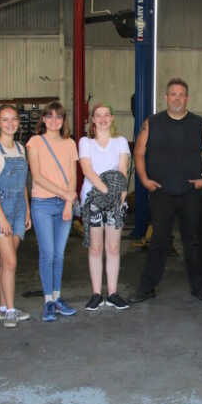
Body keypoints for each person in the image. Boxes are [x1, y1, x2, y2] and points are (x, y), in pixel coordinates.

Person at [129, 78, 202, 304]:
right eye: (173, 94)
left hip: (189, 193)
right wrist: (144, 179)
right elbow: (138, 152)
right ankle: (147, 287)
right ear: (166, 97)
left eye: (181, 94)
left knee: (193, 241)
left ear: (187, 98)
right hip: (161, 193)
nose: (177, 98)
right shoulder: (152, 123)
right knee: (159, 240)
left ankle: (199, 288)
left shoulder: (199, 124)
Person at [26, 102, 79, 321]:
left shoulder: (69, 143)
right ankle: (48, 300)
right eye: (50, 116)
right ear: (44, 119)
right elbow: (37, 177)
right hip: (43, 204)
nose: (54, 121)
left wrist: (68, 202)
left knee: (59, 254)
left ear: (63, 120)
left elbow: (73, 175)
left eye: (59, 117)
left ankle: (57, 298)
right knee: (47, 254)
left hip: (64, 205)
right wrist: (65, 195)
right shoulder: (35, 142)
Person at [78, 103, 131, 311]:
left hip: (116, 200)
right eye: (98, 116)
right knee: (95, 247)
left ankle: (113, 293)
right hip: (93, 200)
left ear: (112, 118)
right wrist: (106, 192)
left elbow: (123, 170)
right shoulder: (85, 142)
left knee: (114, 247)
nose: (102, 119)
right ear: (92, 119)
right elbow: (87, 170)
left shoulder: (120, 142)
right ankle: (96, 294)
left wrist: (120, 193)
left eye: (106, 115)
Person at [0, 105, 32, 328]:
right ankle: (12, 311)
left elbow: (23, 184)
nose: (10, 123)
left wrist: (27, 210)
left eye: (13, 119)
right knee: (12, 262)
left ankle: (3, 308)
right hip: (0, 209)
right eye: (5, 120)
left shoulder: (21, 149)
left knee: (6, 262)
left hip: (18, 209)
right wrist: (1, 217)